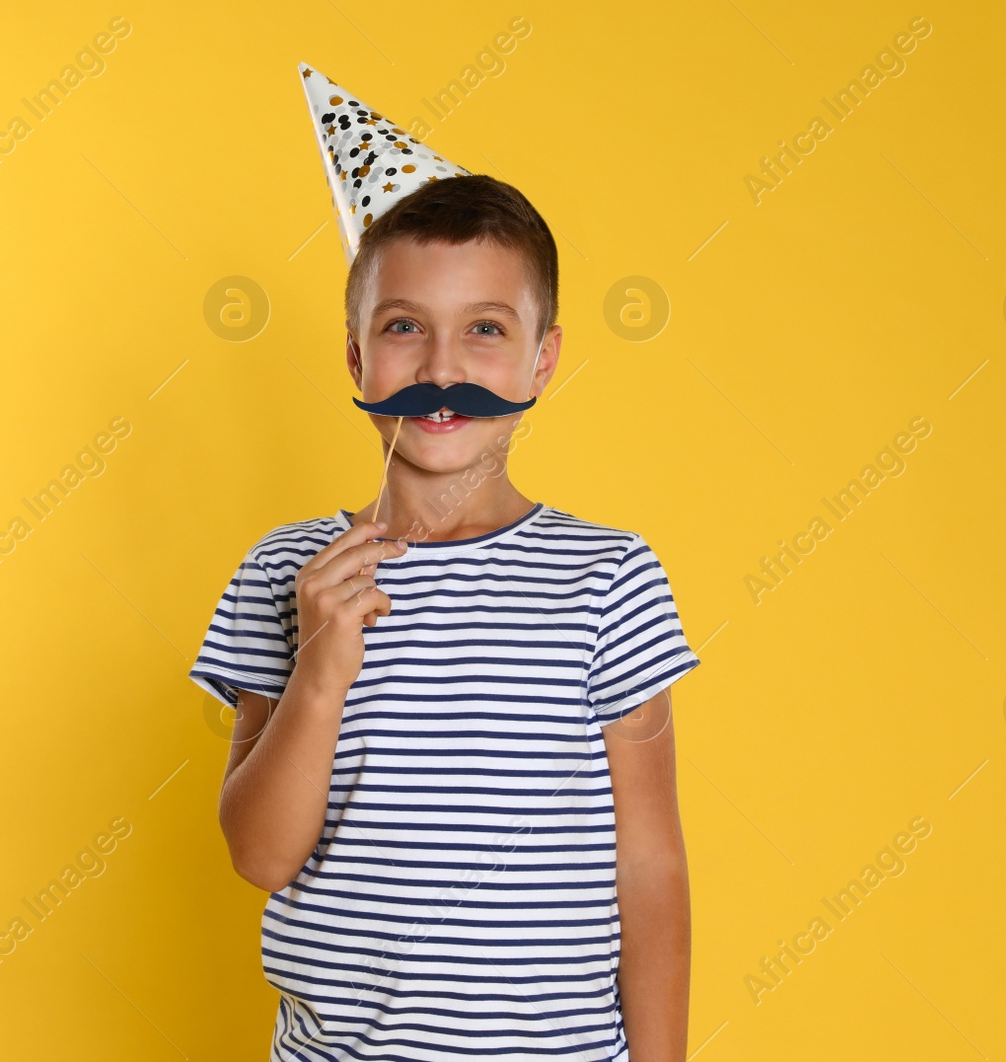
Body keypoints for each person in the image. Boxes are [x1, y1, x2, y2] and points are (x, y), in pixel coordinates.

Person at [189, 166, 701, 1060]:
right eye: (403, 327)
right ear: (355, 354)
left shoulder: (608, 577)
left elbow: (650, 865)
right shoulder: (287, 572)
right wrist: (320, 674)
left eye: (486, 330)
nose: (441, 369)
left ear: (543, 359)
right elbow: (260, 857)